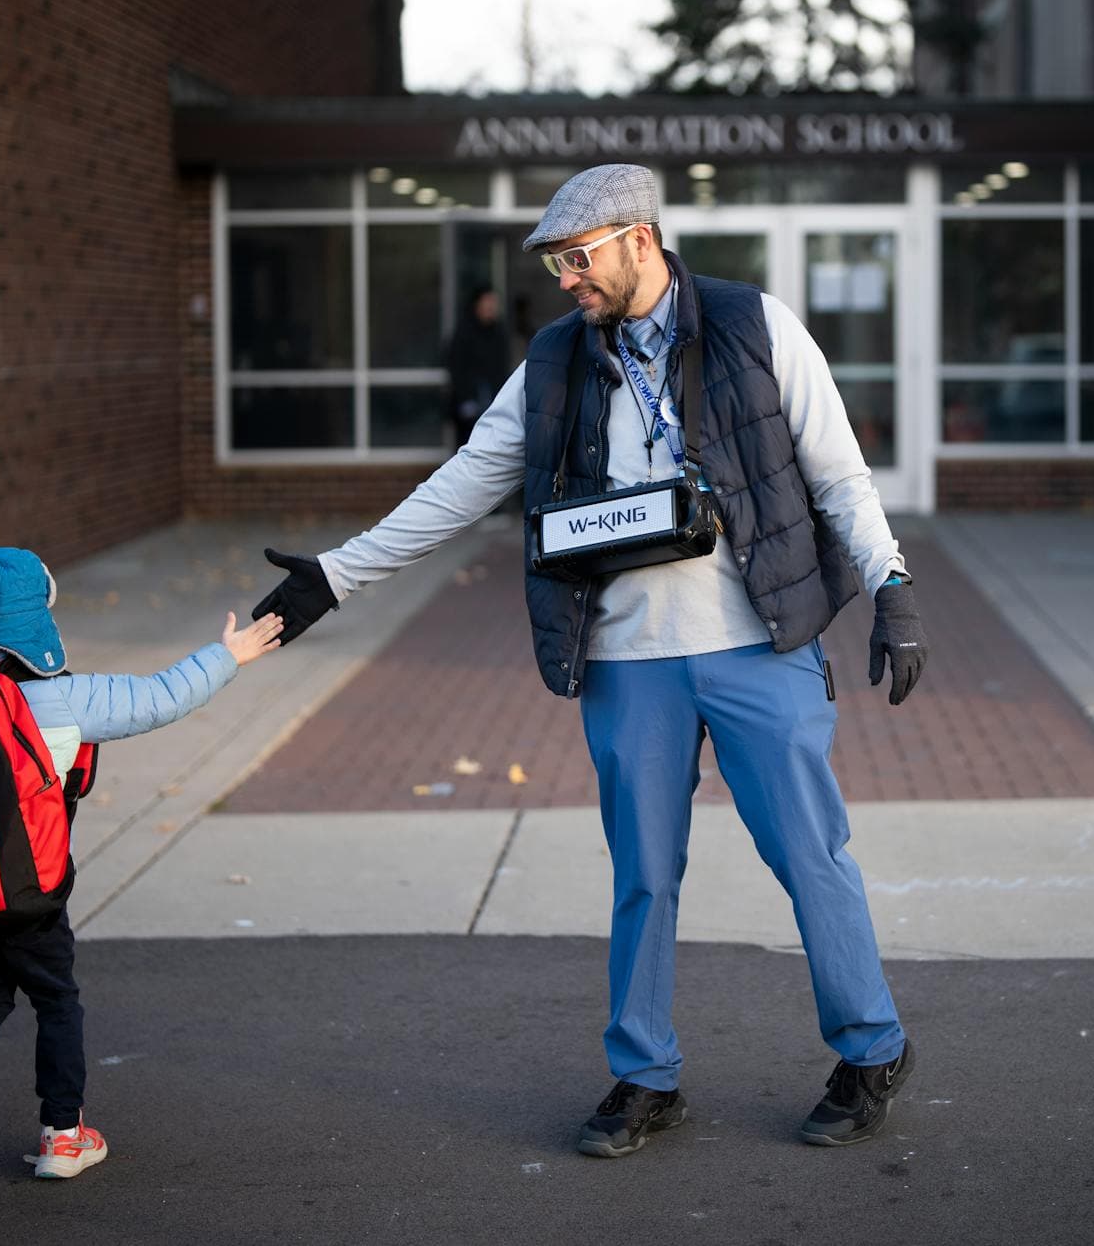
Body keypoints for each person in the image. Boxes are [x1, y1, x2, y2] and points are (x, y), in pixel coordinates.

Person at [251, 163, 929, 1157]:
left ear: (638, 239)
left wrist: (891, 587)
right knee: (642, 874)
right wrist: (338, 574)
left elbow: (839, 475)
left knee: (808, 854)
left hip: (759, 643)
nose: (566, 280)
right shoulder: (557, 361)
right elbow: (463, 483)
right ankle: (645, 1073)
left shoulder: (755, 325)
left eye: (578, 259)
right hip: (628, 659)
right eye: (557, 265)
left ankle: (872, 1047)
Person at [0, 546, 285, 1190]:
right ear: (33, 618)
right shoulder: (60, 698)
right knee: (56, 1000)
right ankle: (63, 1135)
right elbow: (159, 698)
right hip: (29, 895)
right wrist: (229, 655)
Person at [445, 284, 512, 448]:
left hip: (494, 401)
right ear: (477, 304)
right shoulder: (464, 332)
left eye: (493, 302)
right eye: (487, 302)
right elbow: (456, 367)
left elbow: (503, 367)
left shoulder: (499, 333)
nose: (491, 307)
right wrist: (465, 400)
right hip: (469, 405)